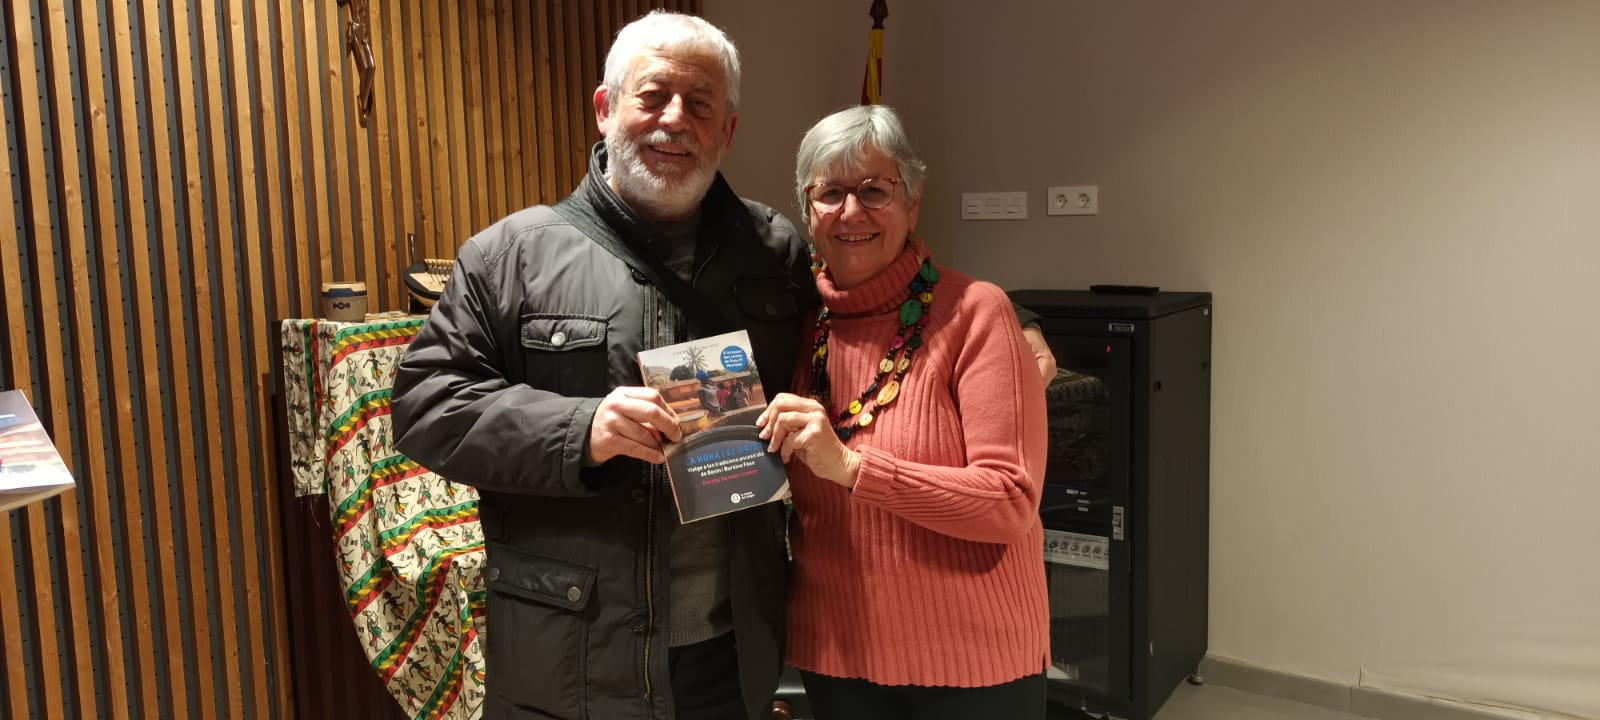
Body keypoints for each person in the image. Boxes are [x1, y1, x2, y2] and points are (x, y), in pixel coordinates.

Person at [393, 11, 1058, 720]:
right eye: (653, 96)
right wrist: (582, 428)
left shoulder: (770, 252)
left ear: (728, 130)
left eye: (700, 104)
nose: (675, 120)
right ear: (605, 108)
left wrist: (1012, 318)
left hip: (729, 651)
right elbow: (426, 406)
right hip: (570, 650)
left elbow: (870, 291)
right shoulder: (509, 256)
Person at [757, 105, 1050, 720]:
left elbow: (1009, 501)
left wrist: (852, 468)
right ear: (808, 211)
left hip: (973, 663)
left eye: (874, 190)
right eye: (830, 193)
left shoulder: (978, 314)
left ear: (912, 202)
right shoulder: (798, 326)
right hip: (836, 654)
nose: (851, 212)